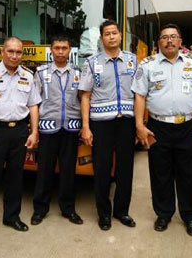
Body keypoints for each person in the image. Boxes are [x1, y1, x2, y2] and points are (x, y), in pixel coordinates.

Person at [132, 23, 192, 236]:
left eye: (173, 37)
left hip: (188, 127)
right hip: (158, 127)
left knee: (189, 174)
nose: (169, 40)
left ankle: (190, 216)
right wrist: (140, 125)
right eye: (164, 37)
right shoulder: (147, 65)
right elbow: (140, 95)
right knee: (160, 173)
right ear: (159, 42)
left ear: (180, 41)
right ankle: (164, 214)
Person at [0, 37, 41, 241]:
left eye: (18, 52)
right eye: (11, 51)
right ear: (2, 52)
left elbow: (33, 105)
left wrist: (34, 132)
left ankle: (12, 217)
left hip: (20, 131)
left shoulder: (28, 75)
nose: (15, 56)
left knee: (16, 177)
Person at [79, 20, 138, 231]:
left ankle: (122, 211)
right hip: (101, 125)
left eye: (114, 33)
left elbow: (140, 94)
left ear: (120, 36)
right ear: (101, 39)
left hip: (127, 124)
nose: (111, 37)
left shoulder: (132, 61)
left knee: (125, 169)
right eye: (107, 34)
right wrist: (85, 127)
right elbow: (84, 96)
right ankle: (103, 213)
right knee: (102, 170)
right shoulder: (92, 63)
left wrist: (140, 124)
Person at [30, 35, 83, 226]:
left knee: (68, 170)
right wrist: (34, 129)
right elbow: (34, 102)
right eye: (57, 48)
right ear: (51, 50)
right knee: (44, 170)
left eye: (64, 48)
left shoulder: (78, 73)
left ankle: (68, 209)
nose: (60, 52)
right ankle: (40, 209)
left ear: (70, 50)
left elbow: (83, 99)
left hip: (71, 128)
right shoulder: (41, 73)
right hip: (48, 128)